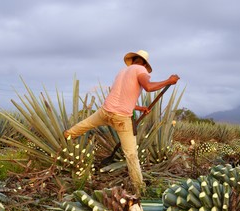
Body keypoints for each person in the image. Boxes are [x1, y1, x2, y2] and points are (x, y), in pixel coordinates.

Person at [64, 50, 180, 196]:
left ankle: (66, 137)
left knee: (85, 125)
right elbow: (149, 87)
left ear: (134, 59)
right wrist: (169, 81)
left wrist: (139, 107)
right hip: (121, 117)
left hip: (105, 111)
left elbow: (121, 95)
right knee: (131, 154)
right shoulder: (141, 69)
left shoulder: (122, 72)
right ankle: (139, 189)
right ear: (144, 62)